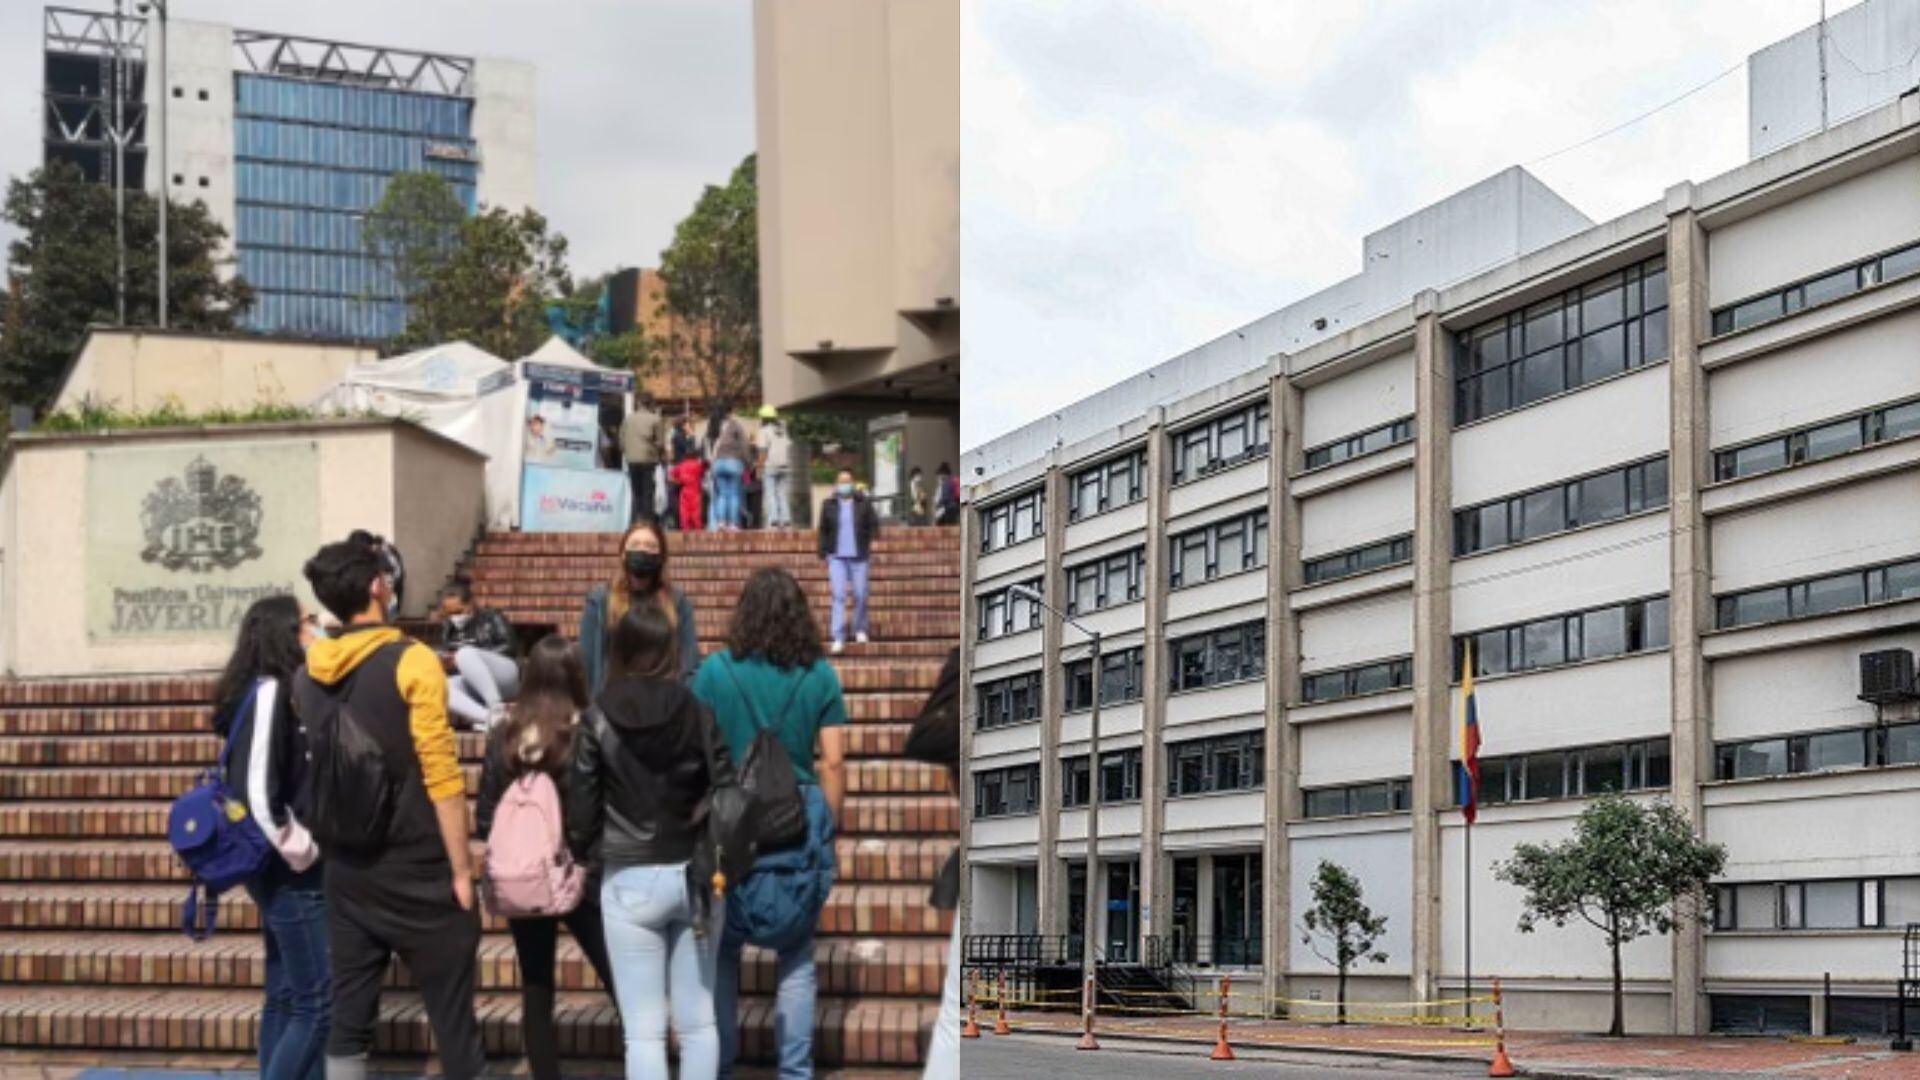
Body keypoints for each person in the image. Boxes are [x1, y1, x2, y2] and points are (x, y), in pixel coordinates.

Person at [294, 539, 483, 1080]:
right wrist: (462, 870)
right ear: (377, 586)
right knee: (454, 1024)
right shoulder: (412, 661)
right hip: (421, 867)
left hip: (347, 871)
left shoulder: (308, 674)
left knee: (348, 1025)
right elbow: (441, 775)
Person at [692, 568, 846, 1080]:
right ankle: (795, 1073)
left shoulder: (714, 673)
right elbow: (833, 762)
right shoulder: (819, 675)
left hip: (731, 818)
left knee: (721, 957)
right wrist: (828, 823)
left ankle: (719, 1068)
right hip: (798, 815)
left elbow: (697, 754)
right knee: (797, 958)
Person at [571, 603, 736, 1080]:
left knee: (642, 1032)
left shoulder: (597, 716)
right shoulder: (697, 711)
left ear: (618, 650)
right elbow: (724, 787)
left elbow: (582, 807)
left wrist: (584, 850)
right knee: (699, 1021)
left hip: (627, 876)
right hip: (696, 872)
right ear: (670, 649)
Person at [476, 636, 618, 1080]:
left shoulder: (506, 732)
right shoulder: (585, 729)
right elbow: (592, 810)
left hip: (523, 878)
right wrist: (584, 857)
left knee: (536, 987)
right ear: (576, 675)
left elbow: (485, 817)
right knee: (619, 978)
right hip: (581, 874)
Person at [213, 595, 328, 1080]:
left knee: (285, 994)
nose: (315, 629)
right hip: (286, 871)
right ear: (286, 632)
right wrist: (301, 848)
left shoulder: (278, 691)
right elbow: (257, 792)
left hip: (279, 868)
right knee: (320, 1004)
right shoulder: (269, 693)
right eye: (308, 622)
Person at [578, 519, 700, 694]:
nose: (642, 550)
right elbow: (586, 664)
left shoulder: (678, 603)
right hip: (611, 708)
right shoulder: (599, 602)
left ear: (661, 556)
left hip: (664, 707)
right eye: (635, 544)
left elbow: (690, 665)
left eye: (650, 546)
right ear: (623, 553)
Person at [436, 581, 519, 732]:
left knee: (464, 653)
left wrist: (469, 657)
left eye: (458, 611)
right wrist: (446, 663)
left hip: (504, 674)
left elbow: (510, 647)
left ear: (471, 604)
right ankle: (490, 719)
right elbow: (449, 654)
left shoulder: (492, 617)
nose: (455, 618)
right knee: (441, 686)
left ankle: (496, 707)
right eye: (449, 614)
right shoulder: (448, 628)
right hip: (473, 683)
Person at [816, 469, 880, 655]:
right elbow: (823, 529)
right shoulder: (828, 505)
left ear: (852, 483)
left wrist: (873, 540)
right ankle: (838, 636)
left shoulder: (863, 503)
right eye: (841, 481)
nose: (844, 485)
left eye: (847, 481)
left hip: (859, 556)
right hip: (837, 557)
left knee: (860, 594)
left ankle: (859, 628)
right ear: (837, 485)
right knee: (839, 595)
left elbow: (873, 524)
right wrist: (823, 552)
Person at [621, 394, 666, 526]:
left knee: (636, 491)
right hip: (648, 459)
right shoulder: (656, 419)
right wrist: (660, 455)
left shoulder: (628, 419)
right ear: (651, 405)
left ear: (639, 404)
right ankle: (648, 522)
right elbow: (660, 443)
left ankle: (635, 521)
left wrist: (628, 452)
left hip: (631, 459)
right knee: (648, 491)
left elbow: (621, 440)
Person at [347, 530, 406, 618]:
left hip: (386, 603)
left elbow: (389, 580)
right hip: (390, 600)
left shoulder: (381, 556)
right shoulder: (386, 551)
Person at [710, 408, 750, 531]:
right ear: (730, 412)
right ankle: (733, 524)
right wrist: (748, 461)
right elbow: (744, 444)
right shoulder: (735, 425)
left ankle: (721, 523)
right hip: (733, 462)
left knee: (722, 494)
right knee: (734, 494)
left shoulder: (715, 425)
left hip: (718, 463)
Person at [755, 406, 795, 530]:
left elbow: (763, 452)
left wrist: (759, 467)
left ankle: (774, 520)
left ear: (763, 418)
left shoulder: (764, 431)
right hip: (785, 466)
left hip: (770, 466)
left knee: (771, 493)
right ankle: (786, 519)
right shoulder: (783, 430)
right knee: (782, 493)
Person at [671, 448, 707, 533]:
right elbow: (703, 472)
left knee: (684, 511)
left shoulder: (681, 465)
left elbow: (672, 476)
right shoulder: (697, 465)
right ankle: (697, 529)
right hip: (695, 491)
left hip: (684, 491)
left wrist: (679, 481)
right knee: (695, 511)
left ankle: (685, 529)